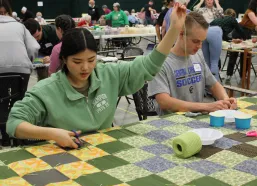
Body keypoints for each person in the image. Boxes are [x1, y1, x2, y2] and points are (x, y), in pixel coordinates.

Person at [6, 3, 188, 149]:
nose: (85, 68)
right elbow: (14, 123)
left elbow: (149, 64)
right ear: (64, 60)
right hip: (66, 160)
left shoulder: (109, 74)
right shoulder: (47, 90)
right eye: (77, 62)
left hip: (106, 153)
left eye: (91, 60)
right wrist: (54, 134)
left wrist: (173, 30)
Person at [148, 12, 237, 116]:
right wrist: (207, 106)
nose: (199, 46)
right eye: (195, 41)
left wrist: (226, 101)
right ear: (181, 34)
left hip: (197, 119)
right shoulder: (160, 61)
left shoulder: (197, 55)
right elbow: (164, 102)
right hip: (172, 123)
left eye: (202, 41)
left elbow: (213, 84)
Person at [0, 0, 40, 146]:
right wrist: (28, 60)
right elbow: (34, 47)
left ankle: (4, 137)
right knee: (18, 102)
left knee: (1, 102)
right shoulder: (19, 26)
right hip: (21, 70)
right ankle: (18, 136)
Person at [225, 0, 257, 83]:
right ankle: (228, 75)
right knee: (234, 54)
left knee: (246, 55)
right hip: (240, 31)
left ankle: (243, 75)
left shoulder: (256, 13)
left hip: (248, 32)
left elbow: (256, 26)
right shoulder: (250, 12)